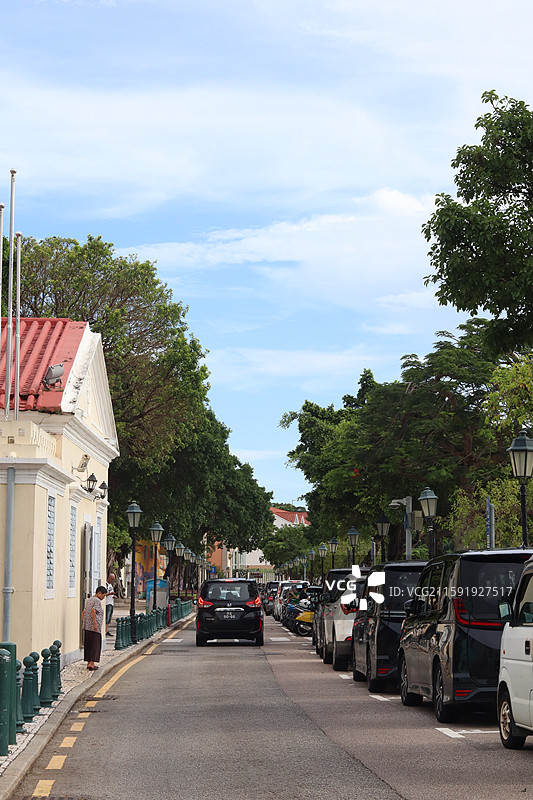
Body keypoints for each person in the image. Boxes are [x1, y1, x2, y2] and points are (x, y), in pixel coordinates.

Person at [82, 586, 107, 670]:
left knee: (88, 644)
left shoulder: (89, 600)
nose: (103, 597)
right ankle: (92, 663)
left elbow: (84, 612)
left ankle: (88, 662)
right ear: (99, 593)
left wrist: (84, 622)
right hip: (94, 627)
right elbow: (93, 611)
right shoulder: (97, 601)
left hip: (87, 626)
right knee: (95, 645)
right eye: (103, 595)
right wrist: (95, 624)